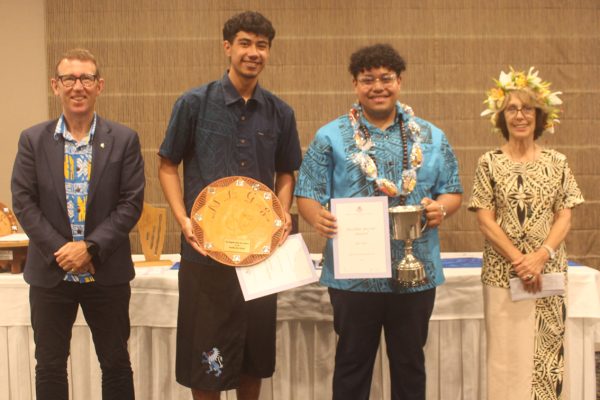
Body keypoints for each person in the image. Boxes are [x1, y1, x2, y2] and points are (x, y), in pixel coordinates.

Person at [295, 43, 463, 400]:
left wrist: (441, 209)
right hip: (354, 275)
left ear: (399, 81)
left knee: (410, 364)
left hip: (415, 274)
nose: (378, 87)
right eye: (368, 79)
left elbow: (452, 190)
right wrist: (317, 217)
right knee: (352, 364)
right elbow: (307, 192)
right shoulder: (330, 136)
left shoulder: (431, 136)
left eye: (386, 78)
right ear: (355, 84)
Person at [158, 11, 302, 400]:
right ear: (227, 47)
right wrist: (183, 218)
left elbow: (287, 172)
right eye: (244, 43)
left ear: (268, 52)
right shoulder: (193, 104)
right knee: (207, 360)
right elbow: (168, 164)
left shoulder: (280, 112)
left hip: (259, 256)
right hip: (205, 255)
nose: (252, 52)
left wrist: (282, 212)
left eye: (261, 45)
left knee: (252, 356)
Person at [11, 48, 145, 400]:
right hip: (51, 271)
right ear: (55, 86)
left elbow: (131, 204)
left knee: (116, 364)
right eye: (69, 78)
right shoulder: (33, 140)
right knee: (50, 366)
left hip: (106, 270)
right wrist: (62, 249)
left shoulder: (125, 139)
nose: (78, 86)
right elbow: (23, 202)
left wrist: (89, 247)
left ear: (99, 85)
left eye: (86, 78)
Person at [468, 67, 583, 400]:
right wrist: (520, 261)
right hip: (504, 275)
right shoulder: (488, 162)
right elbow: (486, 220)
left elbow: (565, 215)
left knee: (547, 359)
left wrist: (540, 256)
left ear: (540, 115)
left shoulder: (557, 162)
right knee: (506, 360)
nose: (520, 116)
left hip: (548, 274)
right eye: (512, 109)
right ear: (502, 117)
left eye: (527, 109)